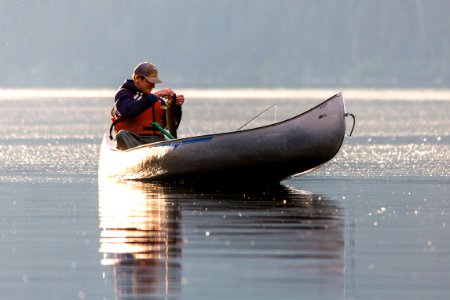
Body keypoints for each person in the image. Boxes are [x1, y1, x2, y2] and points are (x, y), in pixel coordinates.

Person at [110, 62, 185, 150]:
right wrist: (157, 95)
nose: (153, 86)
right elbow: (128, 111)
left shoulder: (158, 101)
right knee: (121, 135)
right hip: (132, 140)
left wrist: (176, 107)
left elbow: (171, 126)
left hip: (156, 142)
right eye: (150, 82)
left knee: (166, 143)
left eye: (154, 83)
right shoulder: (123, 94)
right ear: (138, 78)